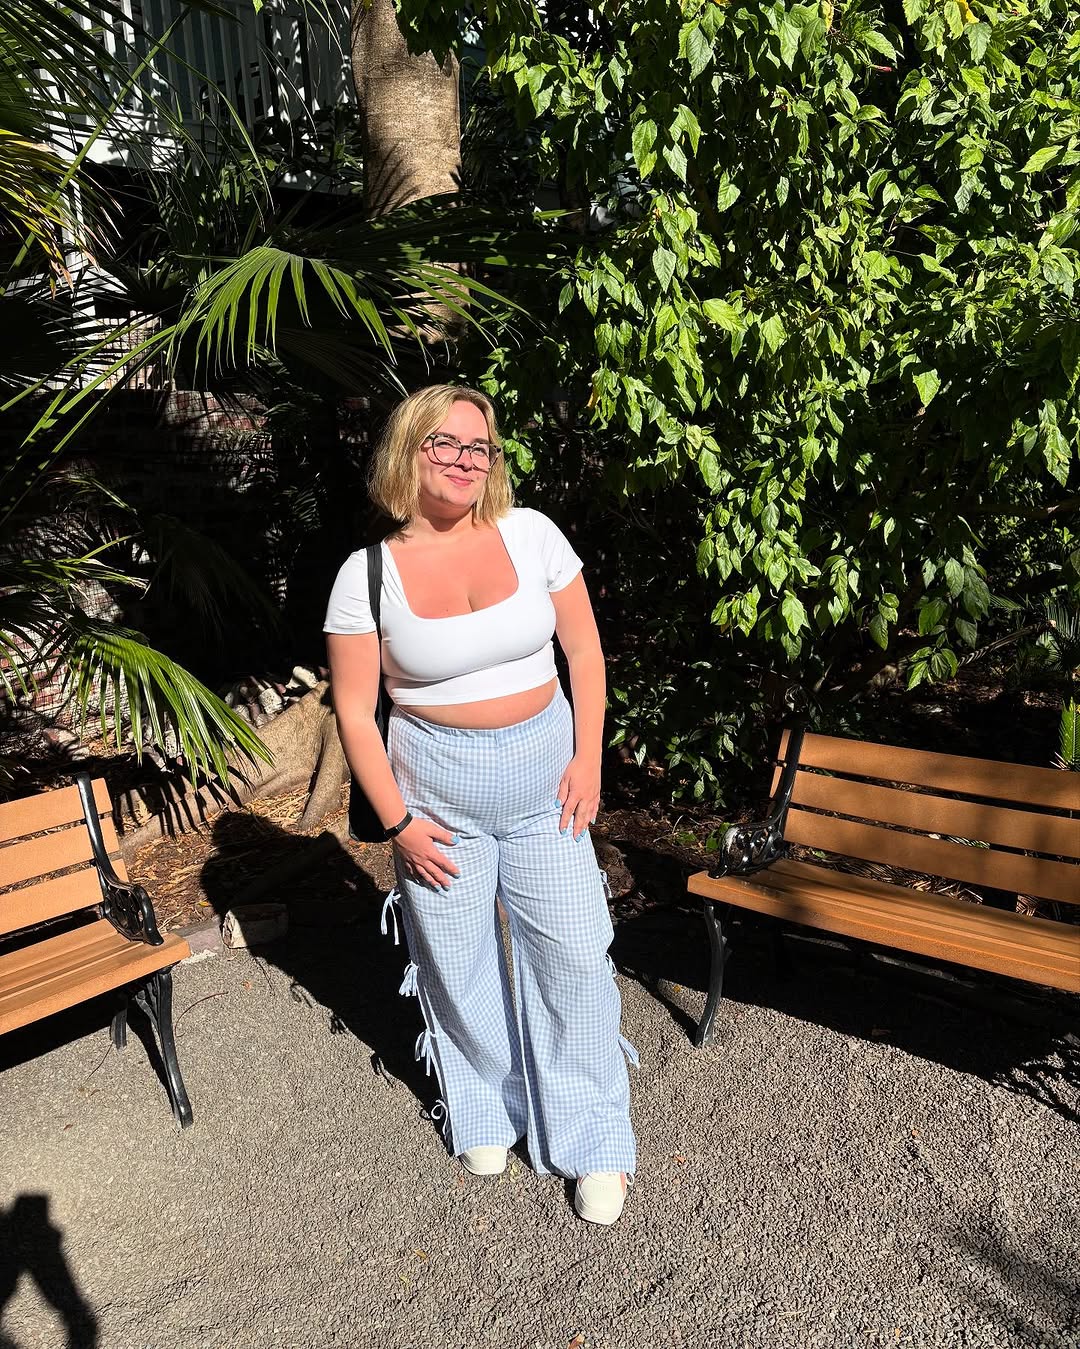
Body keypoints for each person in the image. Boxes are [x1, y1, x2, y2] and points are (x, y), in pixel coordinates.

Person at [324, 384, 637, 1225]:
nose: (465, 460)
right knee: (457, 963)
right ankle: (489, 1111)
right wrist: (398, 821)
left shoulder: (531, 534)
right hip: (436, 795)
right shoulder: (366, 576)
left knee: (575, 953)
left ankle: (592, 1136)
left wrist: (588, 757)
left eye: (479, 446)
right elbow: (355, 710)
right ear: (409, 449)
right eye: (446, 443)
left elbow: (584, 651)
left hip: (546, 782)